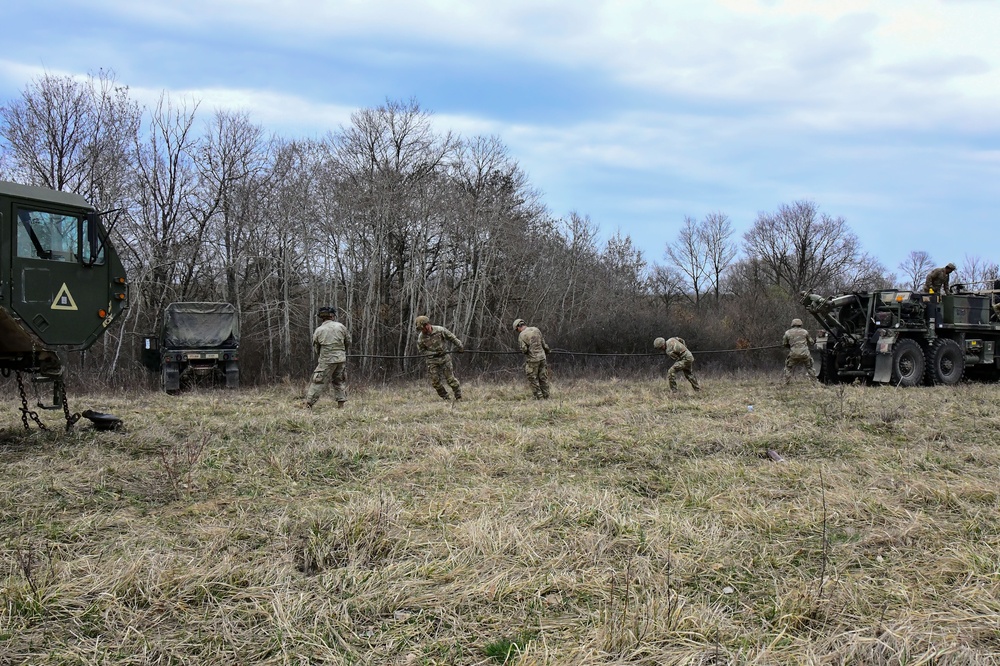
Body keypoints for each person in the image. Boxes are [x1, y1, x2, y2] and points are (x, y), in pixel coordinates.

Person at [305, 306, 351, 408]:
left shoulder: (319, 330)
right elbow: (348, 342)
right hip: (340, 359)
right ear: (333, 316)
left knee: (318, 381)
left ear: (322, 317)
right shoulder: (341, 327)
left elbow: (316, 347)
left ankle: (309, 404)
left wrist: (323, 355)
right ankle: (341, 404)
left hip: (326, 360)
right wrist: (341, 352)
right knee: (339, 380)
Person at [415, 315, 465, 401]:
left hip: (445, 358)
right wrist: (433, 353)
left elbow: (452, 338)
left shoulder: (440, 330)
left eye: (422, 328)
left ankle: (458, 397)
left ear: (427, 325)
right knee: (435, 383)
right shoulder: (421, 338)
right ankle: (446, 398)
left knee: (451, 380)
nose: (422, 331)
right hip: (432, 361)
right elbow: (422, 351)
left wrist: (460, 346)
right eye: (420, 329)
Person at [513, 318, 551, 399]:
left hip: (533, 360)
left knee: (533, 378)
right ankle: (546, 396)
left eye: (517, 330)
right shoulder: (536, 329)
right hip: (542, 358)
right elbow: (544, 344)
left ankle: (539, 397)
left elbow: (524, 349)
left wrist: (525, 352)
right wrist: (548, 351)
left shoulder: (522, 335)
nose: (518, 331)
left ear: (518, 327)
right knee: (543, 377)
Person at [782, 318, 816, 384]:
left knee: (788, 368)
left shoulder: (787, 332)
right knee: (810, 367)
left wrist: (791, 347)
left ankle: (786, 382)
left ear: (792, 324)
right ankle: (815, 383)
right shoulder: (805, 332)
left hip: (793, 353)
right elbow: (811, 342)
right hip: (805, 354)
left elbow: (784, 344)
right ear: (800, 324)